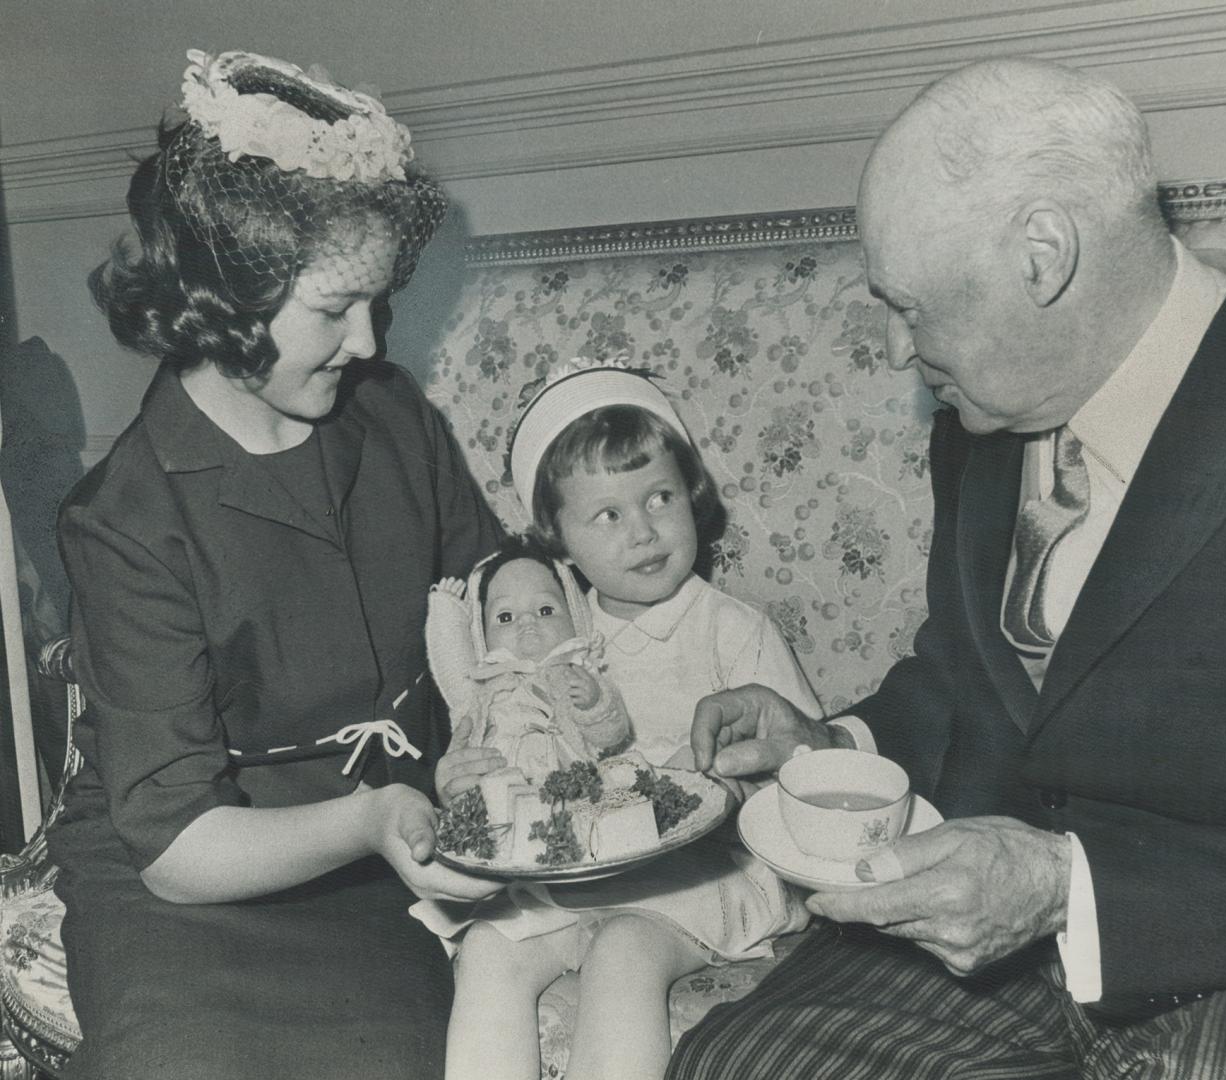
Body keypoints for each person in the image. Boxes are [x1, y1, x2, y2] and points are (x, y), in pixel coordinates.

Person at [667, 57, 1226, 1080]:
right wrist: (834, 744)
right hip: (993, 939)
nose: (899, 353)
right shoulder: (986, 413)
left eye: (912, 308)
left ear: (1044, 255)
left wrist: (1068, 887)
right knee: (739, 1063)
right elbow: (972, 680)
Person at [51, 49, 504, 1080]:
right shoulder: (125, 517)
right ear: (224, 296)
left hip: (377, 866)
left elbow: (491, 609)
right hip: (192, 886)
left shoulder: (393, 419)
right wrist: (374, 817)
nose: (368, 339)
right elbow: (174, 847)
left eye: (381, 301)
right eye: (335, 307)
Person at [423, 358, 827, 1080]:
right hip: (575, 875)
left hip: (704, 876)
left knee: (623, 951)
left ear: (691, 496)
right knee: (489, 950)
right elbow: (517, 757)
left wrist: (743, 783)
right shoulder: (551, 642)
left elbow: (808, 773)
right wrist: (468, 780)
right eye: (608, 514)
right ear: (557, 537)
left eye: (660, 497)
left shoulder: (733, 630)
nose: (643, 531)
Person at [426, 534, 634, 792]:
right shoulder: (484, 686)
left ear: (576, 618)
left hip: (574, 792)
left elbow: (613, 736)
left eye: (545, 610)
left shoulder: (577, 675)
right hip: (503, 799)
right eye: (505, 616)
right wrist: (445, 610)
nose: (526, 621)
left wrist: (593, 703)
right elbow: (451, 660)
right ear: (482, 637)